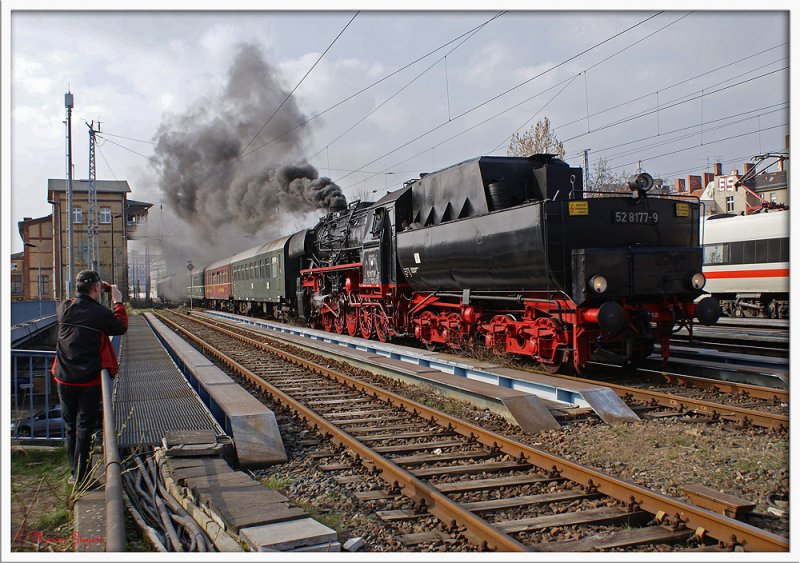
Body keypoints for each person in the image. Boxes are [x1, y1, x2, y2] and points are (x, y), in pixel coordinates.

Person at [51, 270, 128, 486]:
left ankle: (74, 474)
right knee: (84, 428)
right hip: (88, 380)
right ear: (96, 288)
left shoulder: (64, 308)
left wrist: (94, 287)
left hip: (64, 378)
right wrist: (118, 301)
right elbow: (120, 327)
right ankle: (83, 479)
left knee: (70, 428)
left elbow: (79, 301)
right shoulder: (100, 313)